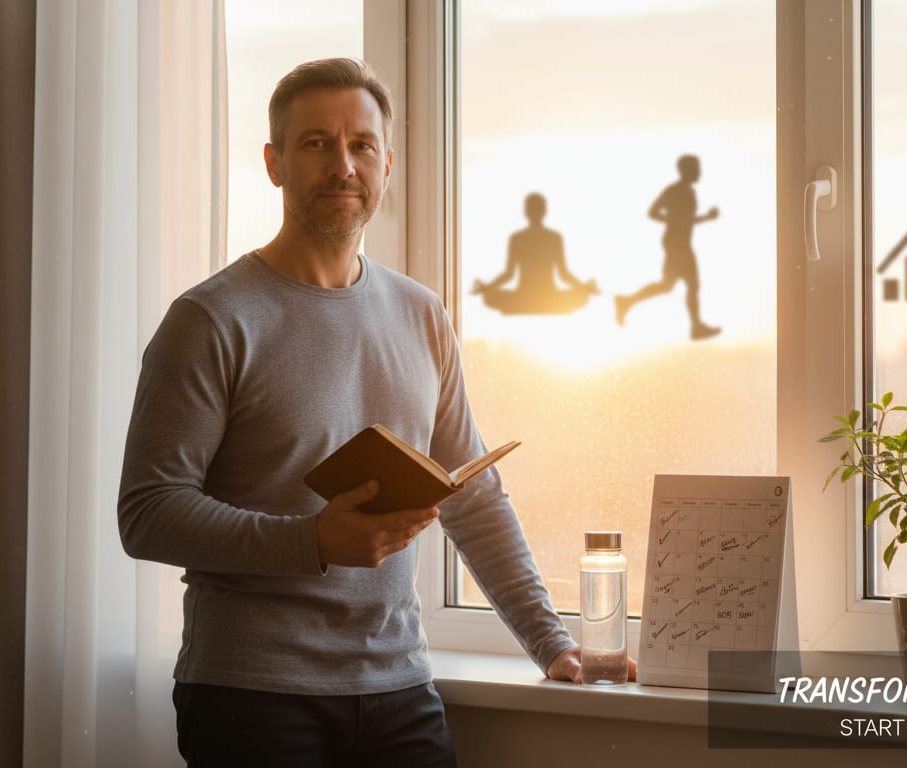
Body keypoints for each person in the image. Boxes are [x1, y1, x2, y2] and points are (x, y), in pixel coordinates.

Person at [117, 58, 601, 767]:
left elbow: (473, 497)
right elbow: (148, 512)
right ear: (274, 163)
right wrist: (314, 541)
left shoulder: (421, 313)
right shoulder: (210, 319)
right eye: (315, 143)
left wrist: (551, 642)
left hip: (400, 688)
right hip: (250, 694)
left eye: (361, 145)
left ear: (387, 163)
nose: (342, 165)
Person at [614, 154, 721, 340]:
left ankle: (626, 301)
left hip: (681, 243)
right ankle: (696, 327)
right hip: (676, 244)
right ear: (686, 170)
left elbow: (685, 220)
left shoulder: (689, 191)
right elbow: (653, 212)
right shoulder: (674, 190)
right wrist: (677, 220)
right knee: (688, 285)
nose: (700, 172)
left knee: (669, 286)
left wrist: (703, 218)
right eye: (696, 168)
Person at [472, 192, 597, 315]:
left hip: (524, 298)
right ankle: (546, 306)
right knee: (581, 296)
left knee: (489, 296)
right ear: (544, 211)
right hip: (548, 298)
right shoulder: (548, 237)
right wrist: (583, 288)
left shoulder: (521, 238)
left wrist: (487, 288)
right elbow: (563, 274)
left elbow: (508, 274)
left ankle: (529, 305)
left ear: (526, 212)